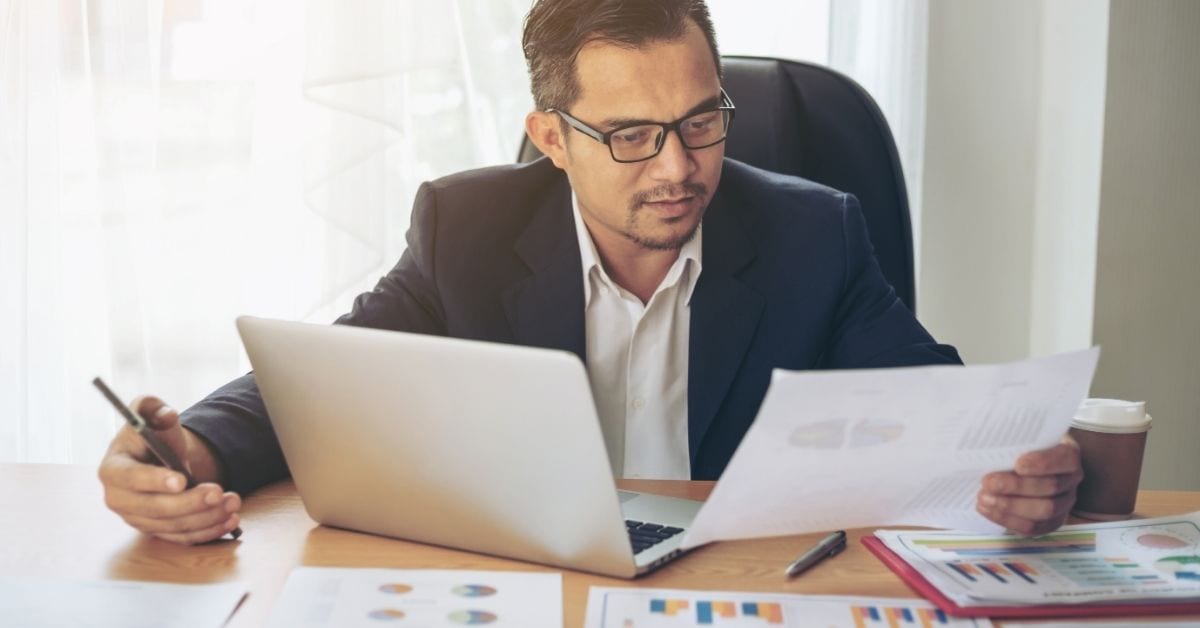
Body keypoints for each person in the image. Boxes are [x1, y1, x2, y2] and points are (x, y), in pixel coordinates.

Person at [98, 0, 1083, 545]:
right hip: (540, 583)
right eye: (629, 135)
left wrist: (1019, 464)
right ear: (551, 138)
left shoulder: (812, 232)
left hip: (738, 584)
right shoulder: (466, 226)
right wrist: (194, 453)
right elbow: (331, 377)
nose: (678, 165)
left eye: (703, 120)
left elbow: (939, 405)